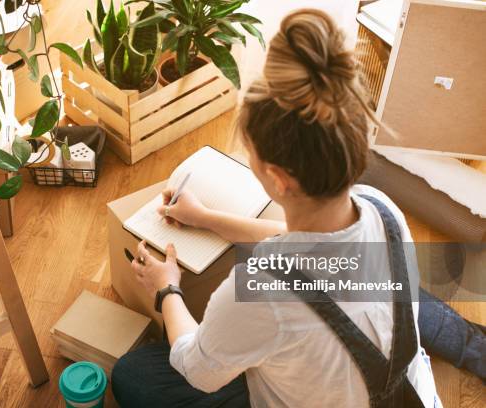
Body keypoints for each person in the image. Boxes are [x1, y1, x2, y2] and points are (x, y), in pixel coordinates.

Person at [112, 9, 483, 408]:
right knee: (377, 278)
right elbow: (312, 254)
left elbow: (196, 369)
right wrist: (205, 218)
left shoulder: (255, 290)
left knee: (133, 375)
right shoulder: (383, 210)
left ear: (278, 178)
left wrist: (166, 288)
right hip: (412, 396)